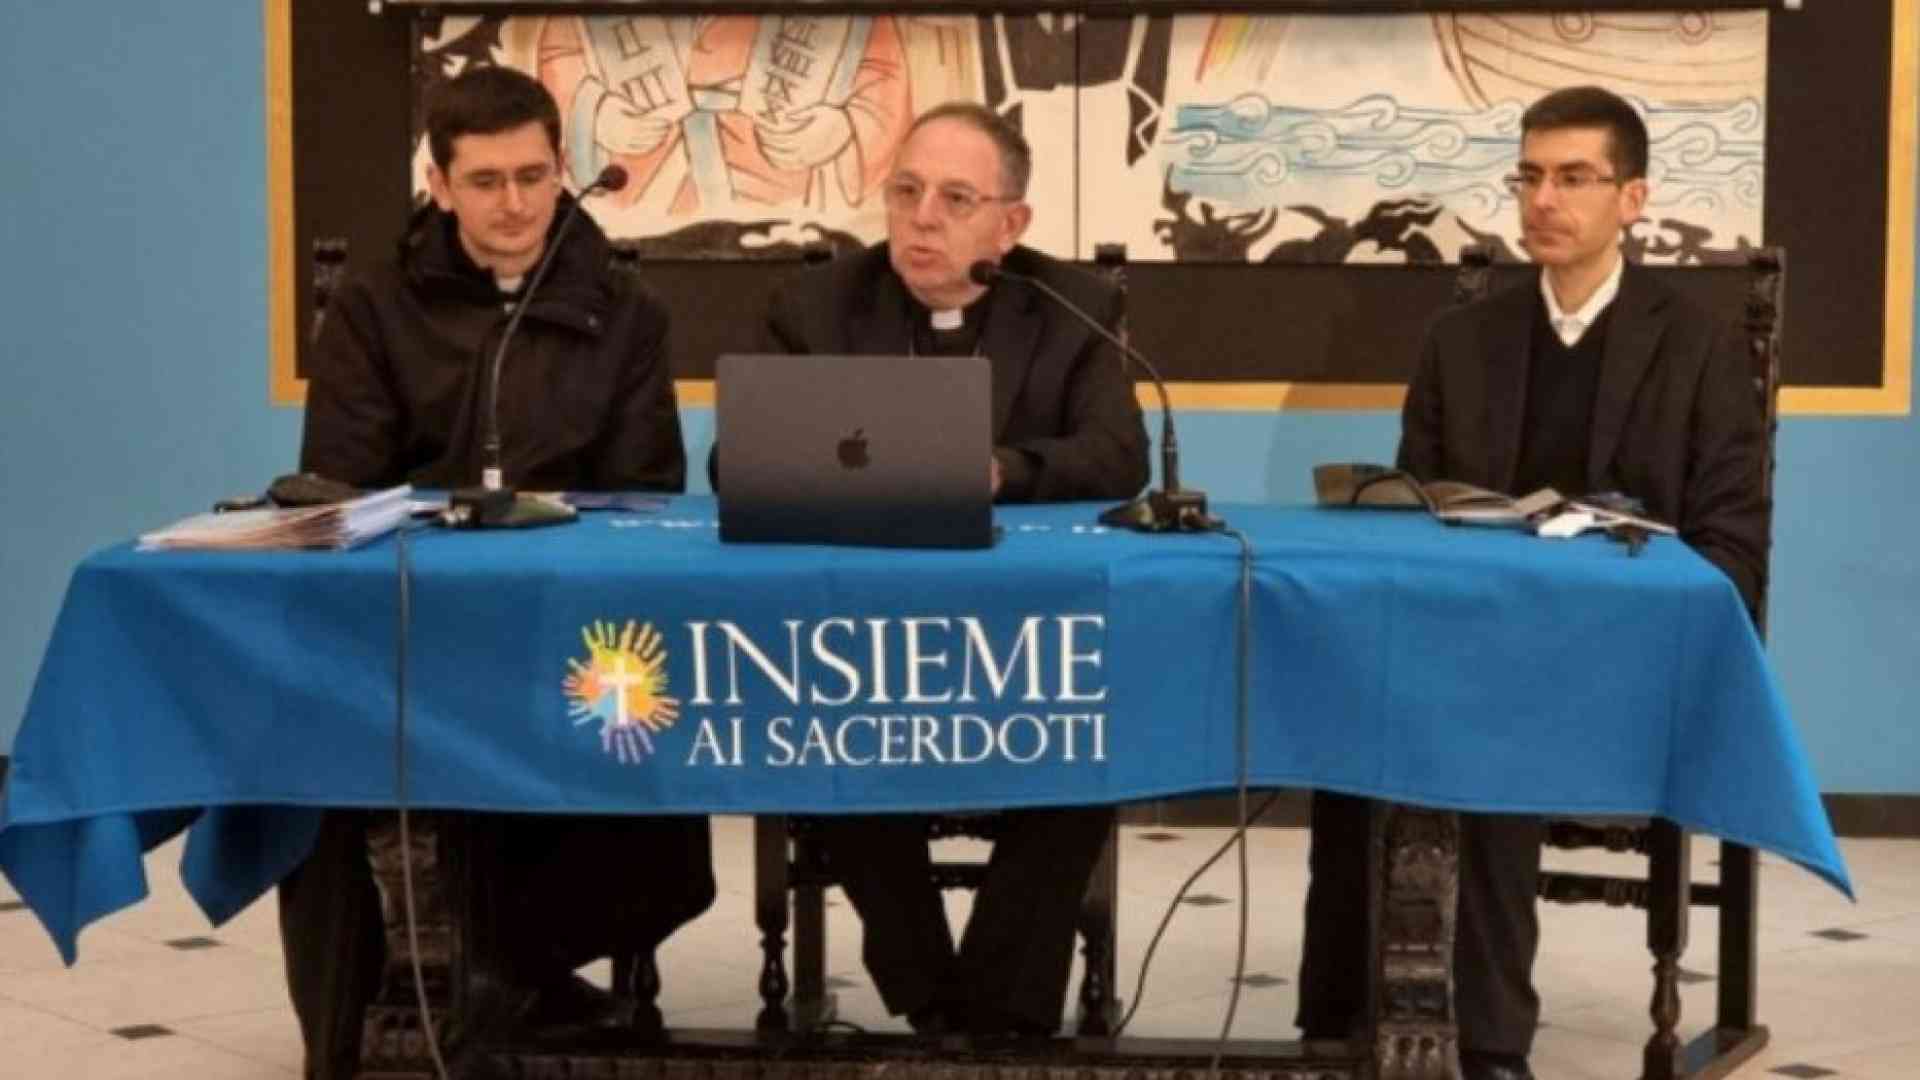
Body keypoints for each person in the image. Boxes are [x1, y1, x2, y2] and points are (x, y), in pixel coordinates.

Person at [1295, 84, 1770, 1080]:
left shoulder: (1698, 347)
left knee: (1487, 741)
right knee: (1346, 721)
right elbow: (1413, 516)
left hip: (1620, 663)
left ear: (1632, 198)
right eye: (1530, 176)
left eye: (1573, 178)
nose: (1544, 199)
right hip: (1472, 642)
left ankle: (1489, 1044)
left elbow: (1733, 547)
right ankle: (1341, 1021)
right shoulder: (1462, 339)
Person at [285, 65, 713, 1079]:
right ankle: (355, 1032)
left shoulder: (624, 308)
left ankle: (513, 973)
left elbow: (647, 490)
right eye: (485, 181)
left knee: (634, 732)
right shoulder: (374, 306)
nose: (515, 204)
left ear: (562, 170)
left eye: (533, 176)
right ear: (439, 184)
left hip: (569, 628)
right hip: (408, 628)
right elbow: (340, 481)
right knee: (303, 759)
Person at [741, 100, 1149, 1036]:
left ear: (1011, 224)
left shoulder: (1075, 307)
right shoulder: (814, 307)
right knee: (818, 730)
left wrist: (1001, 470)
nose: (922, 219)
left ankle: (1000, 1013)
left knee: (1092, 734)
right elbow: (741, 462)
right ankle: (932, 996)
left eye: (956, 199)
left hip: (1026, 645)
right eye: (907, 191)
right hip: (858, 641)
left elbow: (1117, 455)